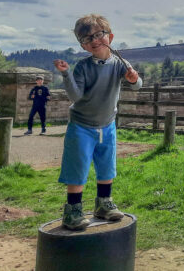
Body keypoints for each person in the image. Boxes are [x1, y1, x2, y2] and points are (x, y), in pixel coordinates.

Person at [53, 14, 142, 230]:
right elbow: (75, 96)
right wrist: (66, 74)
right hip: (82, 126)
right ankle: (73, 210)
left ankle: (104, 204)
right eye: (87, 39)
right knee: (78, 167)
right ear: (83, 46)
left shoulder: (120, 63)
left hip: (107, 124)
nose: (94, 40)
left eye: (98, 35)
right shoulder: (83, 67)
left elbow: (137, 84)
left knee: (106, 166)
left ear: (109, 36)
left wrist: (134, 79)